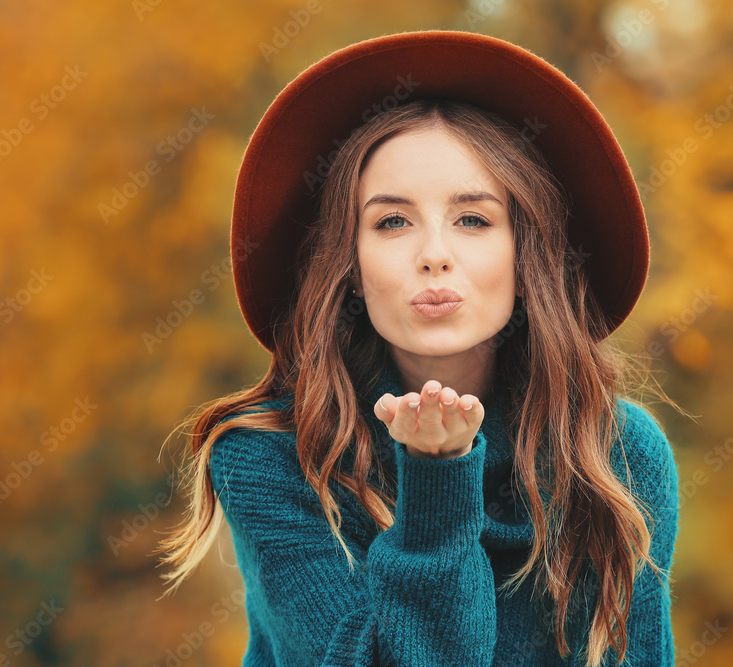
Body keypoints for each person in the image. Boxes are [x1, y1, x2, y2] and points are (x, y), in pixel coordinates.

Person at [156, 30, 684, 666]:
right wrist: (438, 478)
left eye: (473, 219)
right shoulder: (267, 456)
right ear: (348, 262)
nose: (434, 254)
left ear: (527, 255)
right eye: (392, 222)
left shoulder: (617, 455)